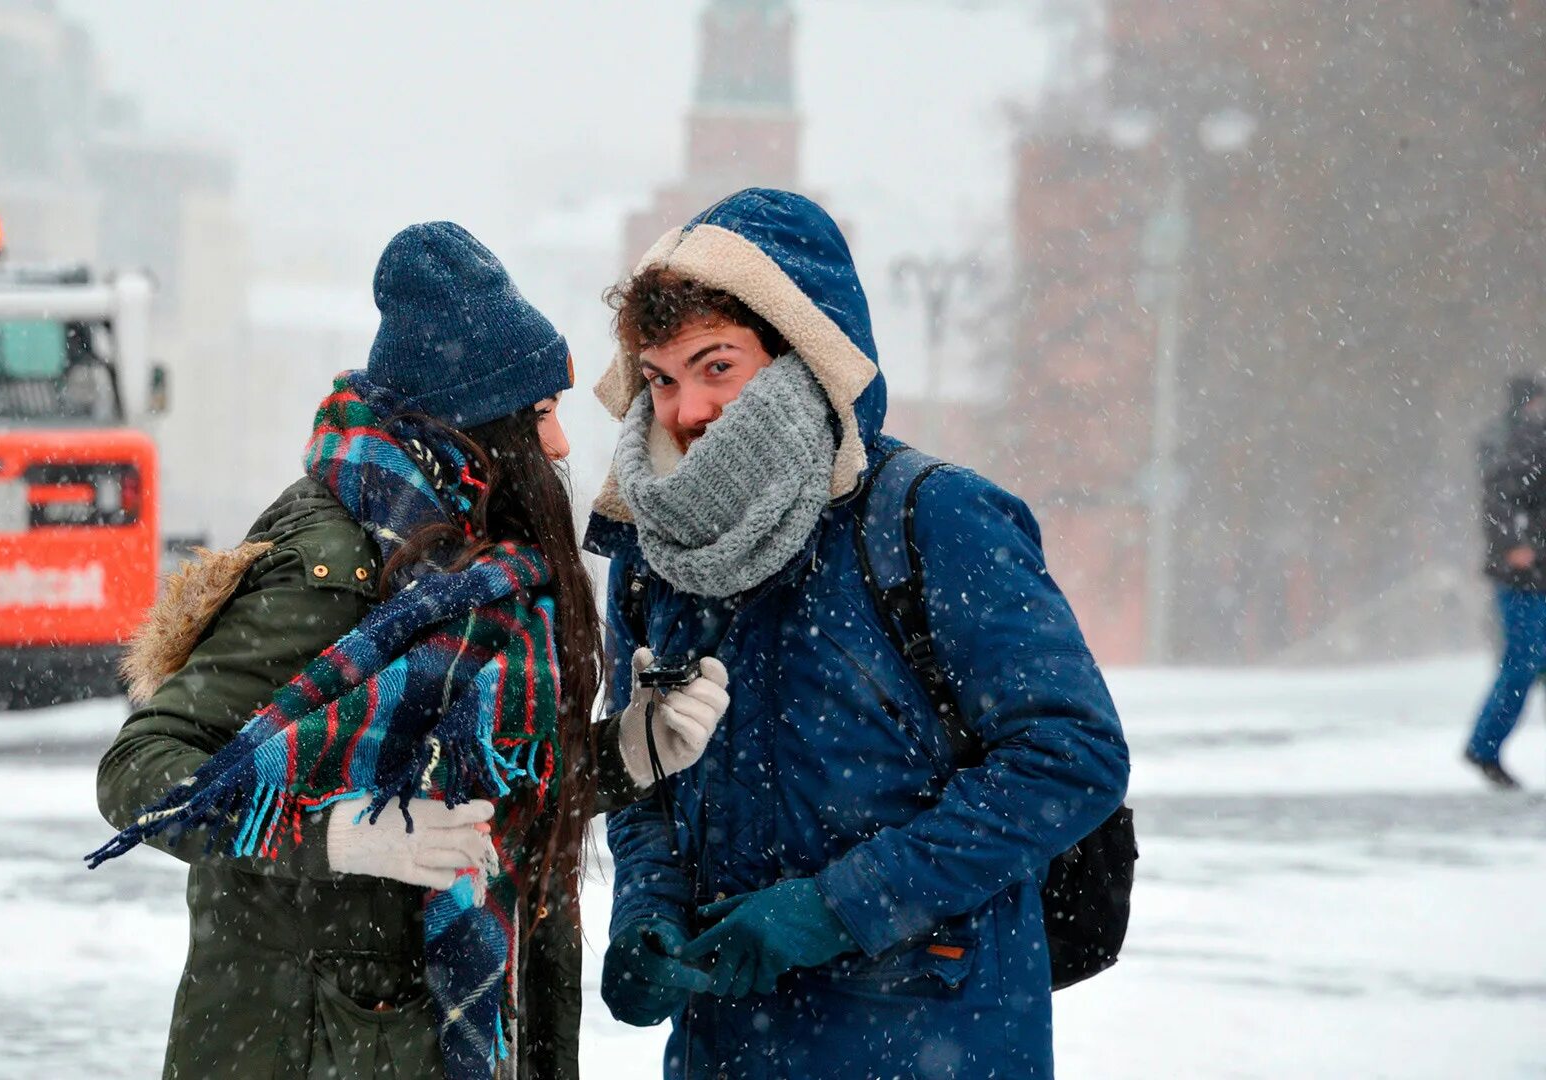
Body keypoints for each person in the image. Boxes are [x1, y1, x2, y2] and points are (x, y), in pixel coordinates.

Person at [89, 222, 729, 1079]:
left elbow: (482, 791)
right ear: (477, 426)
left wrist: (631, 753)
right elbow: (139, 773)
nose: (561, 446)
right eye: (539, 415)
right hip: (308, 1044)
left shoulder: (489, 576)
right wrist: (337, 835)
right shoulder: (331, 562)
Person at [588, 188, 1130, 1080]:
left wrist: (835, 909)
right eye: (662, 379)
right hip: (726, 1049)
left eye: (717, 366)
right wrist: (646, 909)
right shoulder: (654, 560)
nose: (686, 410)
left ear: (806, 356)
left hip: (932, 1036)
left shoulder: (934, 520)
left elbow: (1072, 757)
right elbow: (645, 777)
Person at [1466, 374, 1546, 790]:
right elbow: (1500, 497)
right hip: (1525, 579)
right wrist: (1514, 545)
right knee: (1522, 665)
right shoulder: (1527, 441)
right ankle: (1484, 747)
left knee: (1530, 664)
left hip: (1535, 574)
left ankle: (1485, 748)